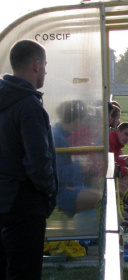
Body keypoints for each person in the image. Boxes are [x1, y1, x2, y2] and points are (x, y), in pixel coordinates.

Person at [0, 40, 58, 279]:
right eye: (44, 65)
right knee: (24, 272)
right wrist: (49, 191)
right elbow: (37, 161)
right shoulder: (28, 105)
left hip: (5, 199)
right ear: (36, 65)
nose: (45, 70)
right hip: (23, 205)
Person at [52, 100, 102, 217]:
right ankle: (99, 233)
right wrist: (80, 166)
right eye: (82, 119)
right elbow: (58, 174)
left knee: (100, 193)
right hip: (59, 191)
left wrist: (78, 163)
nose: (83, 123)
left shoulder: (60, 134)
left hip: (62, 187)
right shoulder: (58, 138)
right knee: (102, 199)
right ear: (76, 120)